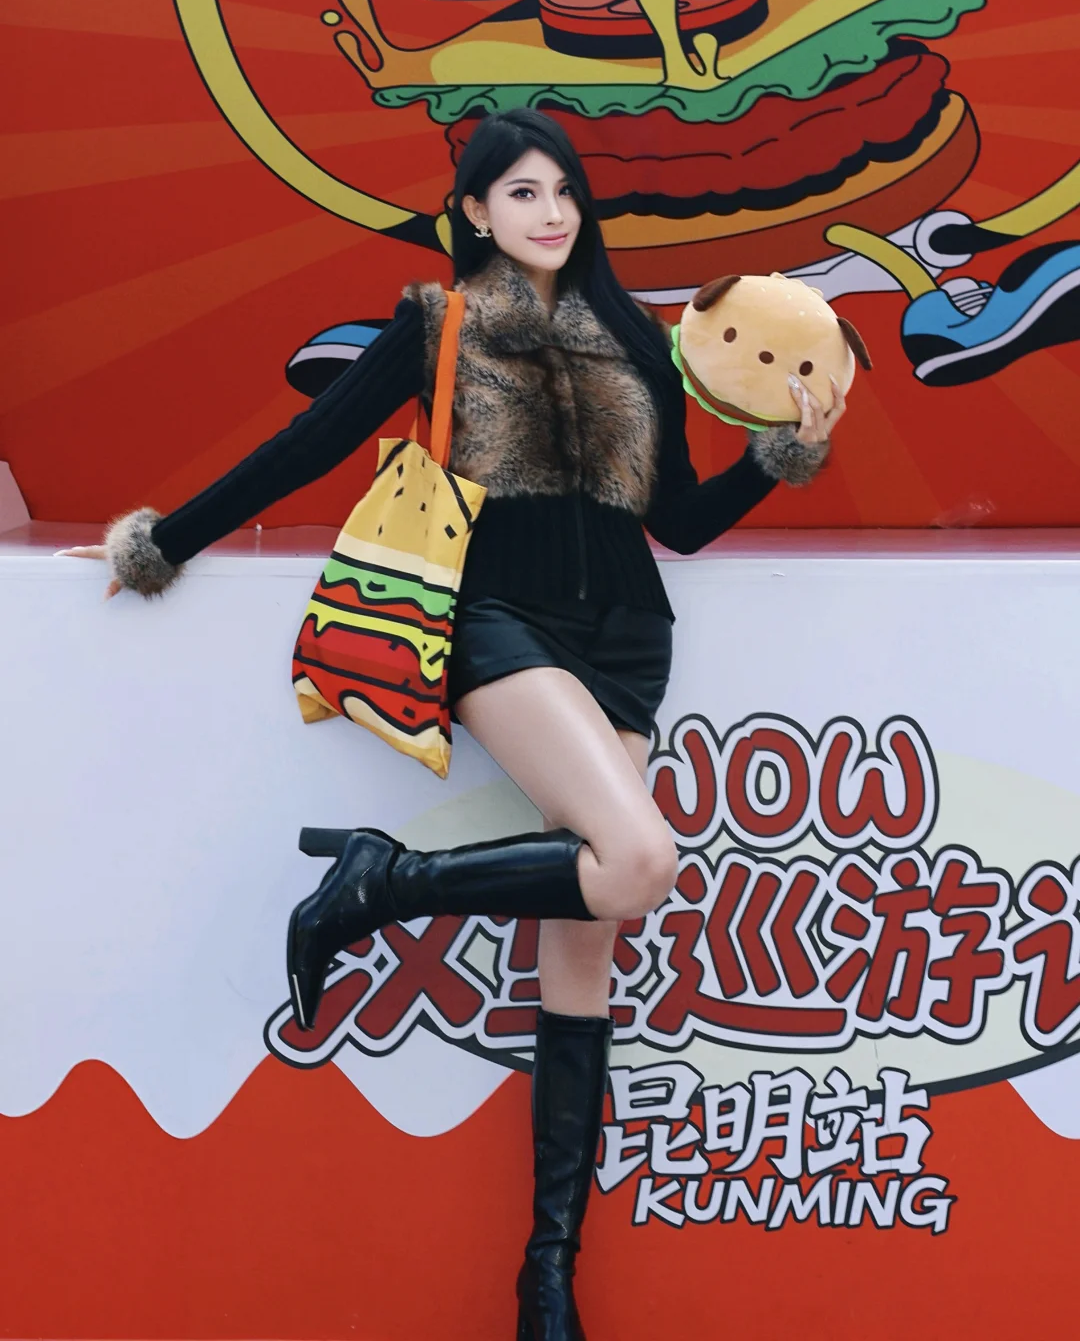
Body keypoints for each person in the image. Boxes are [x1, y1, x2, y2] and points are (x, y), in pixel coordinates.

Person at [63, 108, 844, 1339]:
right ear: (474, 210)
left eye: (564, 191)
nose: (551, 212)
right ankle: (382, 883)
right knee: (638, 863)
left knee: (582, 957)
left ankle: (546, 1281)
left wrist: (781, 455)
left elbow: (679, 524)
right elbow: (309, 444)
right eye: (522, 192)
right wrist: (163, 544)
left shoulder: (640, 338)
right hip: (499, 625)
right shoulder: (438, 321)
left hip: (627, 643)